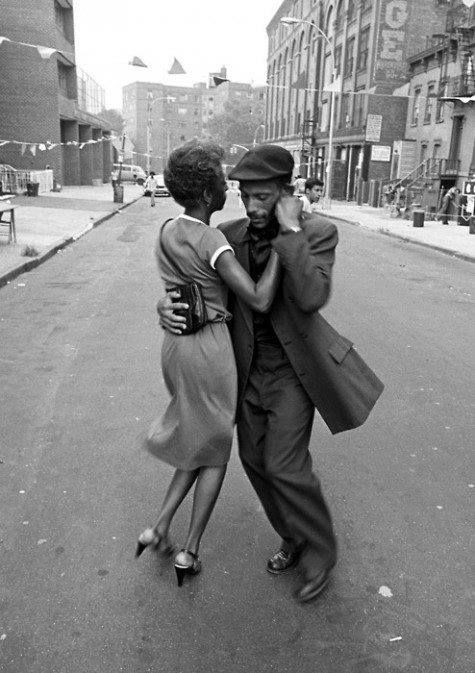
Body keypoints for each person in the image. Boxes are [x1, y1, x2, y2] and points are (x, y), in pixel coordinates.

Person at [158, 144, 384, 603]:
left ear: (286, 192)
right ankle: (292, 535)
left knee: (285, 463)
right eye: (245, 196)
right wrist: (165, 307)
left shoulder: (318, 232)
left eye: (263, 197)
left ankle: (321, 553)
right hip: (240, 370)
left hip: (292, 373)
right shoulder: (226, 233)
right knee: (255, 463)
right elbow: (197, 290)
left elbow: (311, 295)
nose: (253, 206)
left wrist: (291, 230)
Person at [136, 140, 282, 588]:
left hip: (175, 347)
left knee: (199, 437)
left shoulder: (166, 230)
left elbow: (177, 286)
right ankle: (190, 548)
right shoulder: (212, 238)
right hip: (210, 349)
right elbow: (257, 299)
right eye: (221, 180)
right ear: (205, 194)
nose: (227, 186)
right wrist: (283, 247)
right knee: (216, 449)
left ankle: (158, 527)